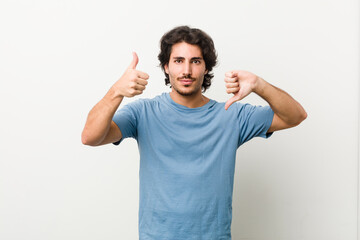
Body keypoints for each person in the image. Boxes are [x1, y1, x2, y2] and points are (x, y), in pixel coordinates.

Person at [81, 26, 307, 240]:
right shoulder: (143, 112)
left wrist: (259, 85)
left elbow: (295, 116)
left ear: (206, 67)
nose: (186, 70)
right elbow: (90, 136)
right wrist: (116, 92)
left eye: (195, 61)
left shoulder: (231, 115)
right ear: (166, 67)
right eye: (178, 61)